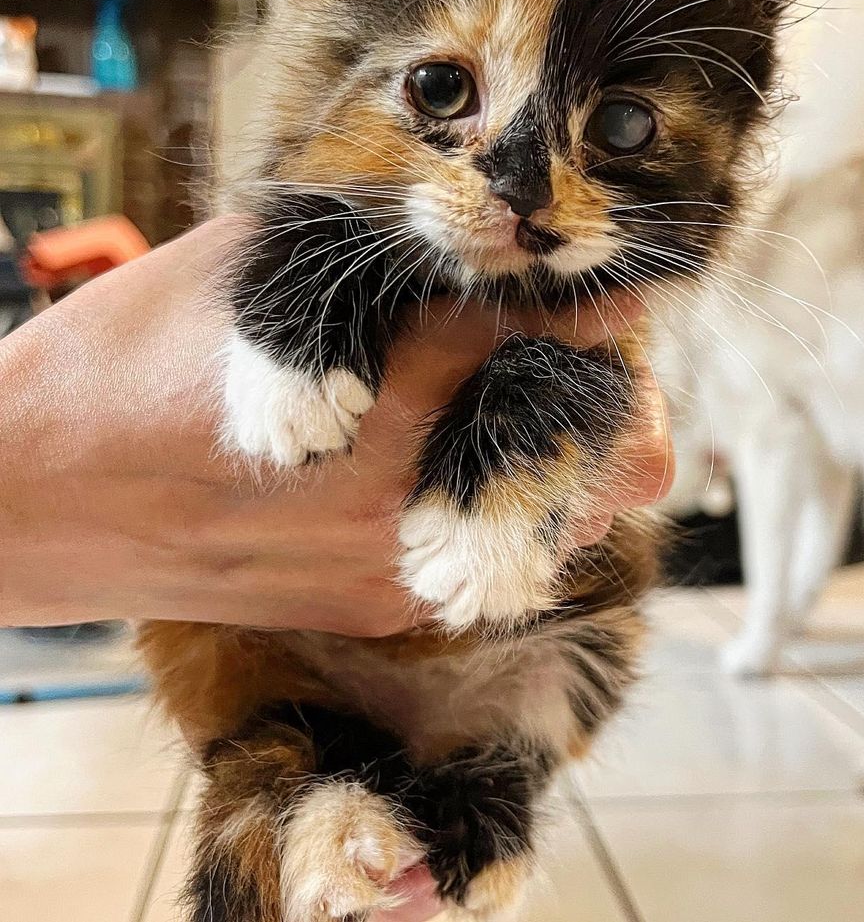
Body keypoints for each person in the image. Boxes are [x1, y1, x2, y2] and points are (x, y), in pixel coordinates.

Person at [0, 216, 673, 920]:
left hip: (513, 672)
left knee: (602, 597)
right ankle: (300, 788)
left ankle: (476, 779)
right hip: (288, 665)